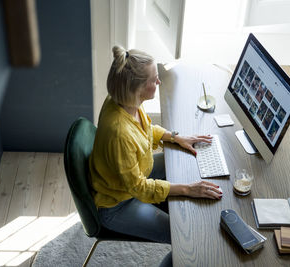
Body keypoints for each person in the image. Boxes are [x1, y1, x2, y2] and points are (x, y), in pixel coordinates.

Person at [89, 46, 222, 265]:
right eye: (155, 79)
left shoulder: (125, 102)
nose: (159, 83)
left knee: (185, 160)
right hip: (118, 204)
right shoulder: (119, 133)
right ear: (138, 88)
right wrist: (187, 189)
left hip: (134, 174)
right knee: (184, 239)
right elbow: (139, 188)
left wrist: (175, 137)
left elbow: (145, 131)